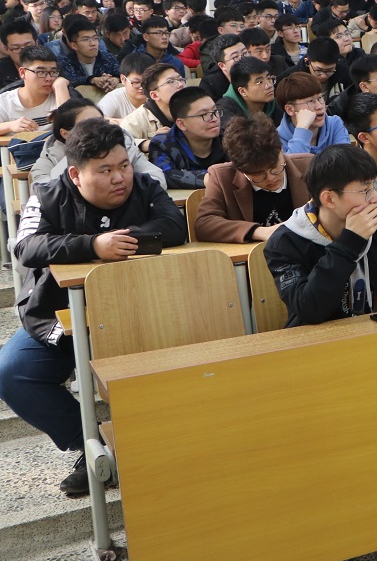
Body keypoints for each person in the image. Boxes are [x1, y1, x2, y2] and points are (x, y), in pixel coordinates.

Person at [0, 118, 186, 495]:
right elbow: (25, 247)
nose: (120, 178)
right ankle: (94, 446)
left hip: (139, 314)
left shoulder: (145, 188)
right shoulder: (49, 195)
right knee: (12, 372)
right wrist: (92, 245)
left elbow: (174, 227)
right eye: (105, 170)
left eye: (123, 166)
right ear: (75, 173)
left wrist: (124, 238)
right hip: (63, 317)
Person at [264, 144, 377, 328]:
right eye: (365, 190)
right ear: (329, 199)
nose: (376, 198)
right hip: (321, 346)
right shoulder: (285, 243)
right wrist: (350, 242)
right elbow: (310, 310)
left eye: (374, 186)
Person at [197, 114, 313, 243]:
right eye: (258, 175)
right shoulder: (222, 177)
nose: (270, 178)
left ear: (281, 149)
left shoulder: (308, 166)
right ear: (240, 169)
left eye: (274, 168)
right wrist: (258, 232)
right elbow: (204, 224)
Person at [30, 98, 165, 187]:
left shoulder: (123, 145)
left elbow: (156, 178)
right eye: (89, 125)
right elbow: (43, 191)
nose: (99, 129)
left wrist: (120, 192)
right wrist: (76, 155)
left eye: (101, 121)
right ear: (65, 134)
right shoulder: (51, 155)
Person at [147, 86, 227, 189]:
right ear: (181, 124)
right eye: (204, 114)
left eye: (215, 111)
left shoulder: (229, 137)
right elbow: (164, 174)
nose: (214, 118)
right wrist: (208, 178)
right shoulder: (162, 144)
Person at [0, 45, 71, 133]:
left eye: (53, 72)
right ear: (22, 72)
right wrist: (10, 125)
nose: (48, 78)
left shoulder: (60, 96)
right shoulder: (5, 101)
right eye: (41, 72)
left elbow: (71, 127)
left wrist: (60, 86)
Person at [276, 71, 349, 155]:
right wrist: (302, 128)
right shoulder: (276, 140)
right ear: (290, 110)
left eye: (320, 98)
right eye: (310, 101)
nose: (319, 106)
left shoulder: (334, 124)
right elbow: (295, 166)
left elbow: (345, 162)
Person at [119, 62, 181, 154]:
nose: (180, 84)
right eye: (170, 82)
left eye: (181, 79)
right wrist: (150, 144)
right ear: (154, 95)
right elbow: (121, 146)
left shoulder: (195, 112)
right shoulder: (134, 121)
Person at [55, 15, 120, 92]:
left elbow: (122, 74)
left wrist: (115, 79)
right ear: (74, 45)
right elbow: (69, 81)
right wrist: (92, 80)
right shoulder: (64, 62)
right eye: (86, 39)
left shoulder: (109, 58)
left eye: (95, 38)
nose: (93, 43)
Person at [216, 56, 282, 131]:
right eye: (259, 82)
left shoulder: (278, 105)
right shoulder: (225, 111)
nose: (269, 85)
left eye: (269, 78)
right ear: (243, 91)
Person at [95, 53, 152, 121]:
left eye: (147, 82)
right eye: (136, 82)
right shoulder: (114, 98)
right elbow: (96, 121)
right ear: (123, 79)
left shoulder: (157, 96)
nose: (142, 87)